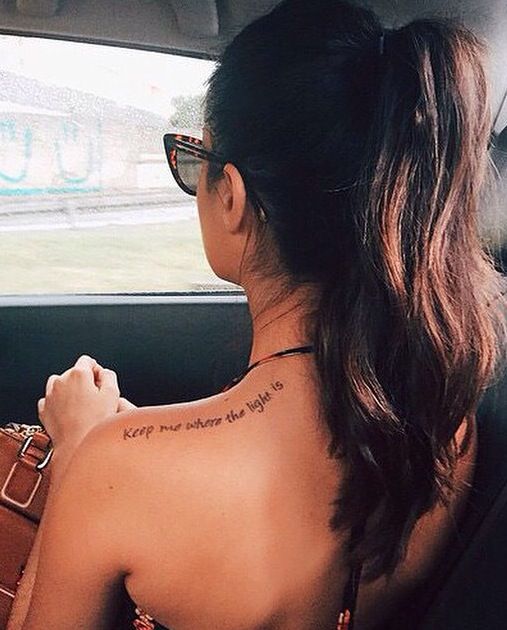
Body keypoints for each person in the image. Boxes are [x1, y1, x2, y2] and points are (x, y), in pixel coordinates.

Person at [7, 0, 506, 628]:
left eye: (196, 160)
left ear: (233, 196)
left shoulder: (114, 472)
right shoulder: (445, 422)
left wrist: (79, 455)